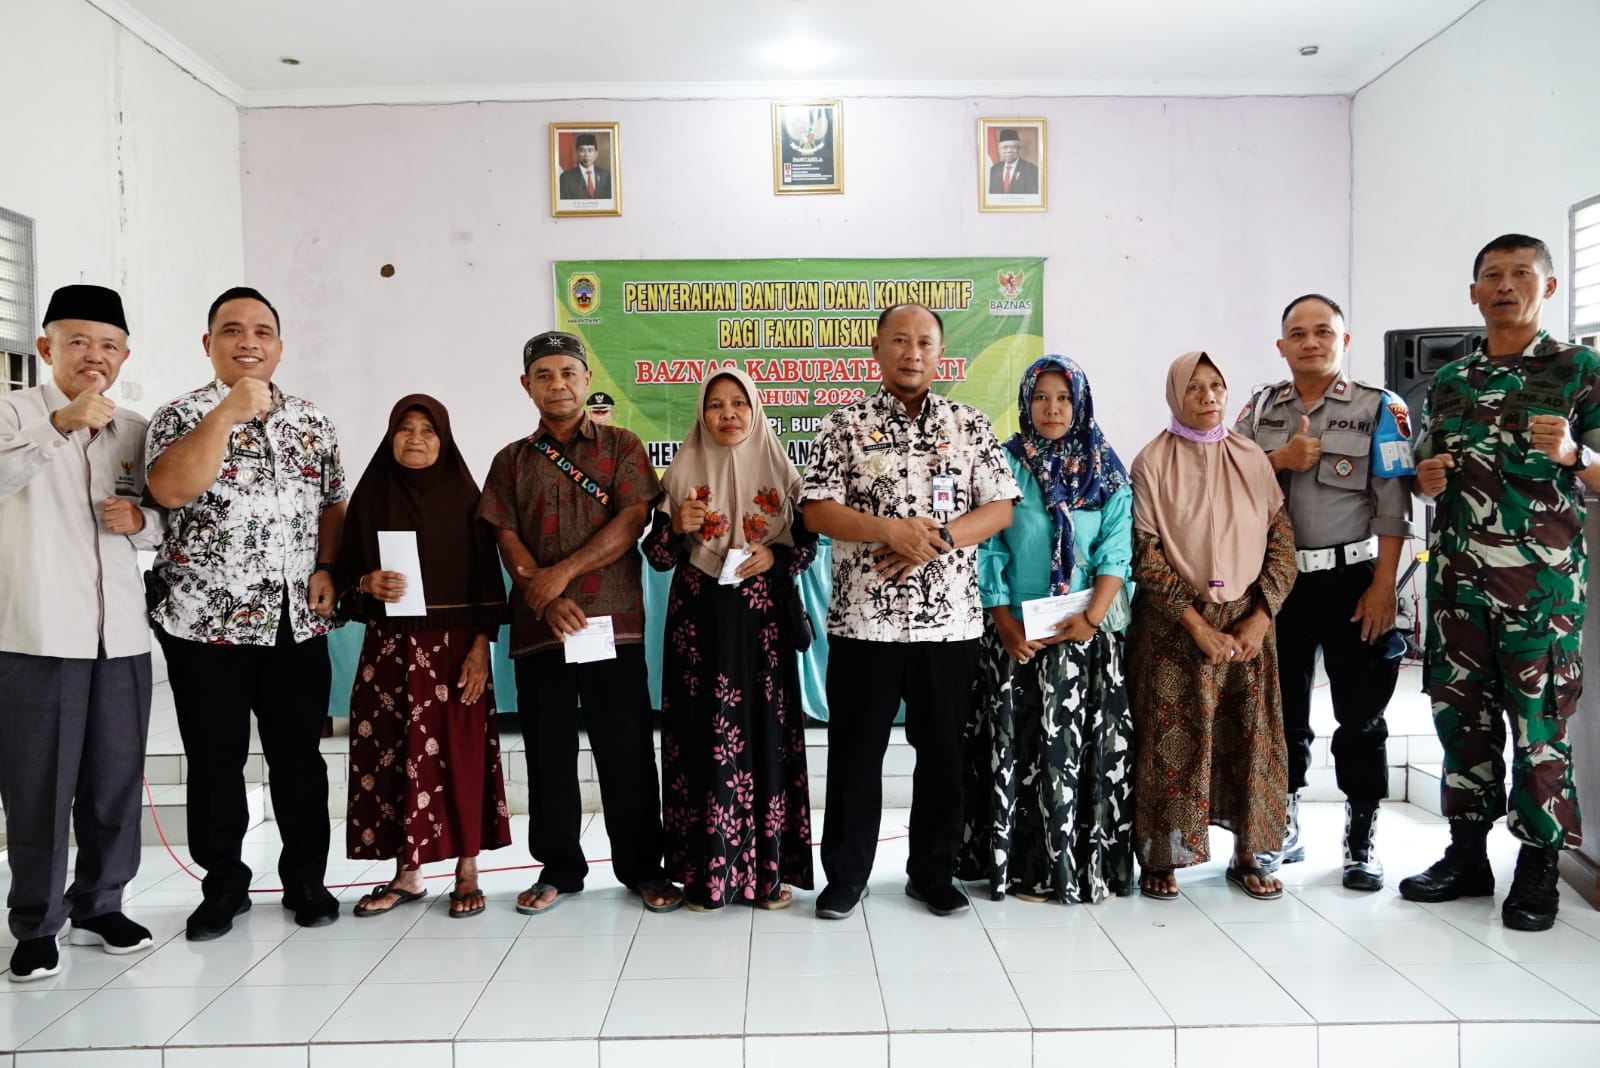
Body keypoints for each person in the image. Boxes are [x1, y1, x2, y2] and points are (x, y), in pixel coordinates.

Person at [1401, 233, 1600, 932]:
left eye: (1521, 274)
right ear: (1474, 293)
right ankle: (1466, 858)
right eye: (1493, 275)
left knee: (1540, 732)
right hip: (1458, 591)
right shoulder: (1450, 383)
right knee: (1463, 727)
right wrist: (1426, 482)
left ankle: (1539, 867)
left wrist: (1575, 454)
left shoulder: (1582, 371)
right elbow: (1429, 472)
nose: (1505, 285)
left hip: (1540, 599)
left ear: (1547, 287)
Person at [802, 303, 1018, 919]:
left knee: (945, 753)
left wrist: (937, 541)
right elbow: (816, 511)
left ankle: (933, 873)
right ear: (876, 349)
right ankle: (846, 877)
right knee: (855, 754)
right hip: (863, 623)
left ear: (939, 354)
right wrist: (889, 532)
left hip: (949, 624)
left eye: (924, 341)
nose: (912, 352)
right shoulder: (842, 425)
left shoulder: (968, 425)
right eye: (899, 340)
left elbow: (999, 507)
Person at [146, 286, 345, 940]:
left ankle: (306, 882)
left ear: (280, 346)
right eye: (232, 330)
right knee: (214, 759)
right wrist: (227, 414)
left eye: (262, 331)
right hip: (208, 626)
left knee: (298, 758)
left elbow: (333, 506)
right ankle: (224, 885)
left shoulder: (313, 421)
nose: (249, 341)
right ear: (209, 345)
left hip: (296, 622)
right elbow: (171, 488)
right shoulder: (180, 416)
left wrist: (327, 567)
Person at [478, 330, 681, 915]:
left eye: (568, 372)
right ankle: (559, 868)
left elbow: (631, 521)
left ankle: (644, 867)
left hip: (611, 626)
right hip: (542, 627)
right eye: (544, 375)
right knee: (547, 750)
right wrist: (541, 598)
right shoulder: (510, 460)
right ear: (526, 386)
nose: (557, 384)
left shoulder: (621, 446)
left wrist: (557, 576)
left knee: (626, 749)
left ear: (586, 380)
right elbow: (504, 533)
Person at [0, 285, 161, 981]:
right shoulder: (13, 413)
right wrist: (59, 425)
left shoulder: (134, 428)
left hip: (120, 634)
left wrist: (143, 524)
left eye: (108, 345)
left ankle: (100, 903)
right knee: (38, 787)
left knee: (114, 781)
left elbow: (165, 516)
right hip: (36, 634)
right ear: (46, 349)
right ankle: (35, 924)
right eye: (77, 343)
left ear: (124, 355)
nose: (93, 357)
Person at [1234, 294, 1415, 891]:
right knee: (1280, 715)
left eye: (1322, 332)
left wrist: (1384, 586)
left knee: (1360, 717)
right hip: (1278, 582)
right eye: (1297, 333)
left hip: (1353, 581)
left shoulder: (1378, 408)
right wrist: (1279, 458)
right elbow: (1223, 477)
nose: (1310, 342)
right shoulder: (1260, 408)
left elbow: (1394, 506)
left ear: (1345, 339)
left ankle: (1360, 835)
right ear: (1280, 345)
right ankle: (1281, 823)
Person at [959, 355, 1135, 904]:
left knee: (1079, 757)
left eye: (1062, 397)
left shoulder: (1105, 467)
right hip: (1018, 638)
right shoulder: (1004, 466)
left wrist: (1091, 618)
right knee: (1020, 752)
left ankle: (1082, 869)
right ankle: (1020, 869)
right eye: (1041, 397)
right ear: (1025, 403)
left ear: (1079, 401)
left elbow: (1116, 549)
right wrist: (1005, 623)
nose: (1052, 408)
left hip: (1086, 637)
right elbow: (987, 550)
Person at [643, 368, 817, 910]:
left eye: (739, 403)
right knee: (701, 739)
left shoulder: (782, 471)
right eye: (716, 405)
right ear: (701, 413)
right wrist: (677, 525)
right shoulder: (679, 476)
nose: (728, 415)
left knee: (764, 739)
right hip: (700, 627)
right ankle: (704, 875)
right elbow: (658, 558)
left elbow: (806, 546)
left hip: (762, 626)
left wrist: (776, 554)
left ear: (756, 408)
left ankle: (767, 876)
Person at [1129, 351, 1297, 901]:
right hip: (1175, 627)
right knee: (1173, 743)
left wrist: (1260, 617)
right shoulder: (1152, 461)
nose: (1207, 396)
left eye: (1216, 386)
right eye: (1195, 387)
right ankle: (1163, 854)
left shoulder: (1252, 457)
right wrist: (1198, 626)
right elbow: (1146, 553)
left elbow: (1281, 543)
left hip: (1248, 624)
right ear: (1176, 394)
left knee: (1250, 738)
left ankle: (1249, 854)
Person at [336, 395, 512, 919]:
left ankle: (466, 870)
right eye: (406, 429)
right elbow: (344, 581)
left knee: (459, 755)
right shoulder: (370, 498)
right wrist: (366, 581)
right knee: (392, 753)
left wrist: (482, 648)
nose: (416, 439)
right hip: (388, 654)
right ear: (390, 435)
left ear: (445, 439)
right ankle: (407, 874)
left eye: (428, 430)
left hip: (455, 654)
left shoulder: (465, 498)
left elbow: (486, 580)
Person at [558, 134, 612, 200]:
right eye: (582, 150)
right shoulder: (566, 178)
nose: (586, 155)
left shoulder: (606, 175)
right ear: (577, 153)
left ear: (596, 154)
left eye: (590, 150)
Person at [987, 129, 1039, 196]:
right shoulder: (994, 169)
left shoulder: (1032, 170)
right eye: (1005, 147)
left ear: (1019, 149)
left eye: (1013, 147)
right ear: (999, 150)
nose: (1009, 151)